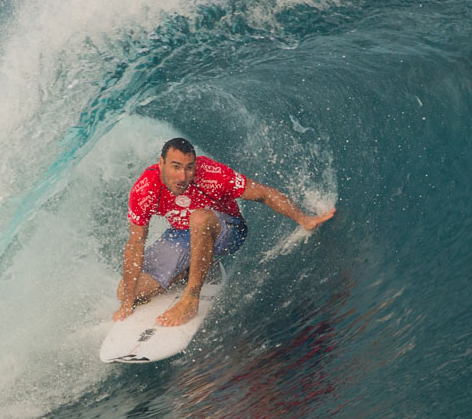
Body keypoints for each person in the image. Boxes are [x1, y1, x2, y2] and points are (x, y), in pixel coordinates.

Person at [113, 137, 336, 327]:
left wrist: (303, 219)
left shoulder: (211, 173)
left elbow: (263, 193)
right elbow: (135, 243)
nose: (183, 176)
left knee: (199, 217)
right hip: (182, 234)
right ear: (160, 163)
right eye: (176, 166)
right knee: (127, 291)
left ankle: (191, 298)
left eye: (189, 167)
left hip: (227, 230)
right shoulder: (145, 189)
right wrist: (126, 304)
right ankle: (189, 268)